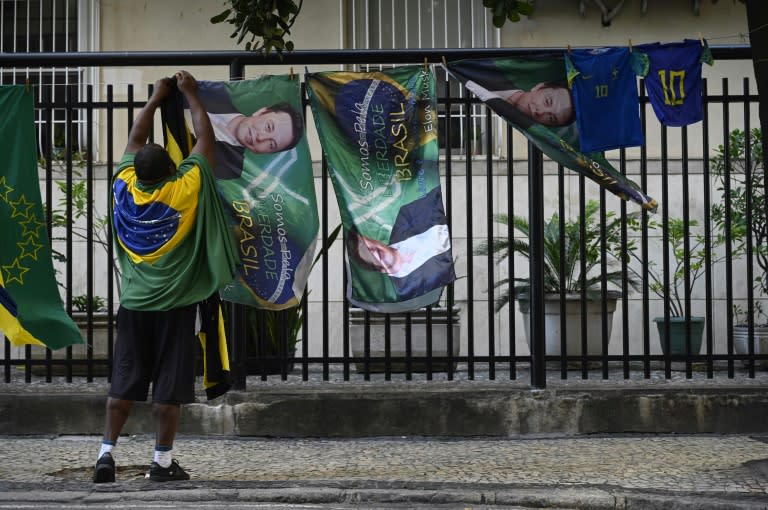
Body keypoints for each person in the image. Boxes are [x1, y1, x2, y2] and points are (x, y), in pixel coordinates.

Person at [93, 70, 237, 484]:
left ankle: (106, 456)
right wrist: (190, 93)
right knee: (169, 389)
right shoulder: (186, 186)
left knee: (123, 383)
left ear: (135, 171)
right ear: (173, 168)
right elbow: (205, 139)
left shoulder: (123, 186)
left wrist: (155, 99)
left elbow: (135, 139)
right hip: (175, 309)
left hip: (134, 305)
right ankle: (160, 463)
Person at [465, 79, 575, 128]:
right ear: (539, 87)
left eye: (551, 118)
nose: (540, 112)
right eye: (547, 101)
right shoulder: (492, 75)